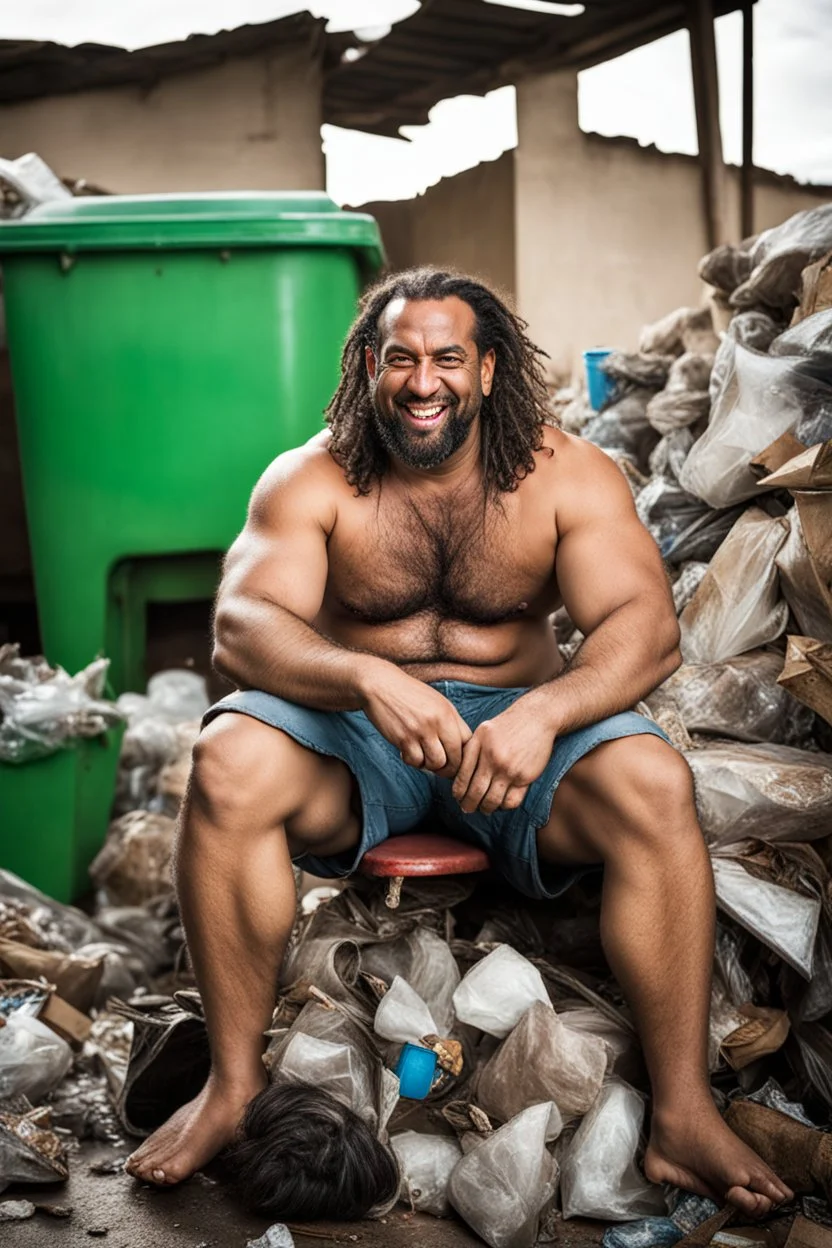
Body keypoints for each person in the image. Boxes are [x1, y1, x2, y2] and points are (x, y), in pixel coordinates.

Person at [126, 267, 791, 1216]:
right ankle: (233, 1087)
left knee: (650, 776)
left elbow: (645, 623)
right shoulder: (312, 478)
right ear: (368, 366)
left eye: (446, 357)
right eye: (400, 358)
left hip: (517, 744)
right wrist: (366, 676)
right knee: (226, 759)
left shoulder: (564, 474)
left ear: (486, 368)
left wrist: (544, 711)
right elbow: (242, 625)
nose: (423, 380)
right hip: (359, 743)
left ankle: (683, 1111)